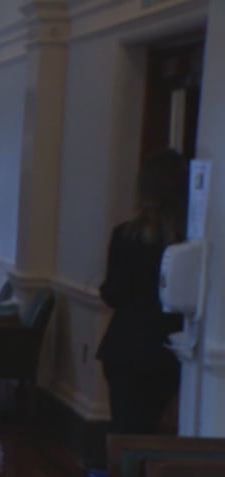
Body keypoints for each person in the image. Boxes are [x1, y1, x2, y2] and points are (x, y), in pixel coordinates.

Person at [97, 148, 188, 435]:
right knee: (150, 430)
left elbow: (114, 293)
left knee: (125, 431)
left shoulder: (126, 234)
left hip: (125, 346)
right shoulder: (190, 243)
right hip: (167, 350)